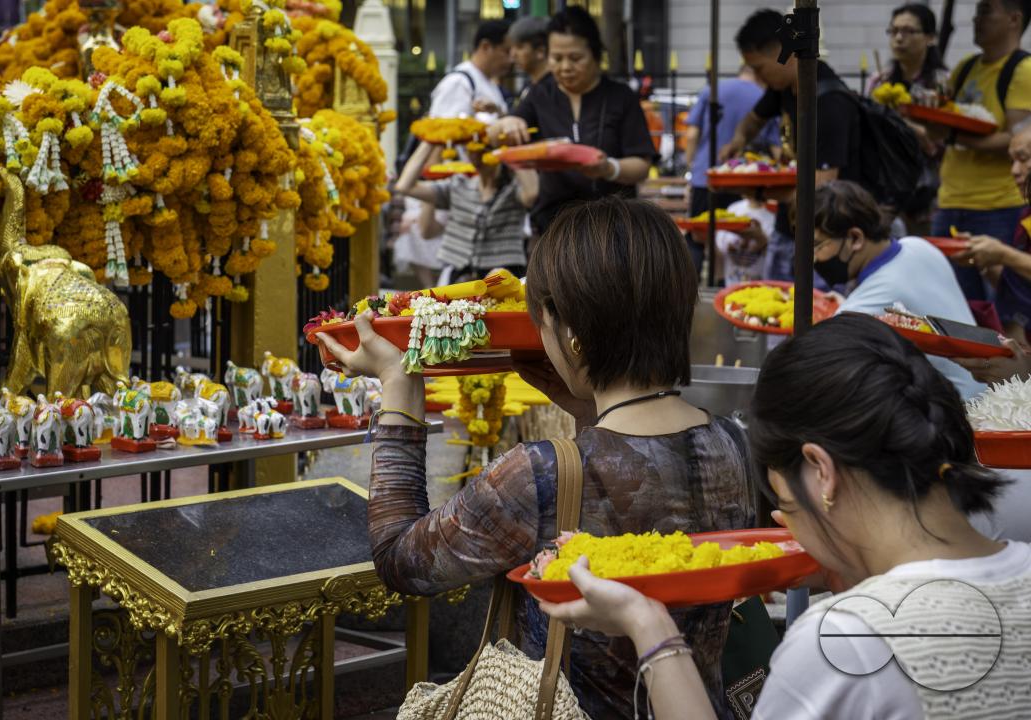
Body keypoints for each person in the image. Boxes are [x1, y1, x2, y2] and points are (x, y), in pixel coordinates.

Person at [319, 197, 755, 719]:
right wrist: (588, 405)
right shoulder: (734, 443)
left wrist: (400, 391)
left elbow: (400, 561)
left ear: (565, 327)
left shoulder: (538, 473)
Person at [540, 313, 1031, 720]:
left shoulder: (846, 641)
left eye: (789, 507)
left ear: (821, 472)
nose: (787, 523)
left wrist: (647, 624)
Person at [486, 7, 657, 237]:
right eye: (556, 58)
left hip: (612, 229)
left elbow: (641, 165)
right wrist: (506, 124)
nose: (565, 67)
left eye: (575, 58)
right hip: (553, 226)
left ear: (595, 55)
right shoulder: (540, 94)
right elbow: (498, 134)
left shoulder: (620, 97)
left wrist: (608, 168)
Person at [721, 9, 862, 282]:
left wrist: (761, 190)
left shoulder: (829, 102)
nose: (759, 78)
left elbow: (821, 190)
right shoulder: (783, 88)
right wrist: (738, 140)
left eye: (760, 68)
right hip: (788, 230)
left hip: (824, 238)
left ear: (784, 53)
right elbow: (752, 121)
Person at [814, 180, 985, 399]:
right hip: (986, 391)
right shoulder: (918, 246)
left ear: (855, 238)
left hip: (958, 413)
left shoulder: (868, 302)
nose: (814, 259)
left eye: (817, 246)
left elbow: (824, 360)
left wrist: (848, 309)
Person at [929, 0, 1031, 302]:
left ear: (1014, 19)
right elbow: (942, 116)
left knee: (1001, 304)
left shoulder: (1023, 70)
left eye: (986, 11)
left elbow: (1016, 141)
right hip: (949, 201)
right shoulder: (965, 68)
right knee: (951, 301)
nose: (976, 19)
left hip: (998, 206)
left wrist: (953, 136)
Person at [683, 66, 781, 275]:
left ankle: (689, 292)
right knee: (740, 237)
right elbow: (777, 149)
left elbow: (691, 135)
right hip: (745, 183)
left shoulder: (712, 89)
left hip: (706, 178)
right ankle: (727, 287)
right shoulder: (764, 98)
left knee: (698, 239)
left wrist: (692, 168)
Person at [394, 139, 537, 281]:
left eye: (484, 150)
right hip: (459, 275)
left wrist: (512, 146)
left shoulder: (512, 189)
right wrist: (430, 140)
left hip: (504, 277)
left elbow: (532, 193)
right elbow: (405, 186)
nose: (476, 156)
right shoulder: (458, 185)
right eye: (472, 150)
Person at [868, 3, 949, 232]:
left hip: (930, 192)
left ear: (930, 37)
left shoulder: (942, 83)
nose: (899, 38)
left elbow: (945, 140)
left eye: (908, 31)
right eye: (893, 31)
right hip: (886, 191)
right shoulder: (879, 81)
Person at [952, 118, 1031, 341]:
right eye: (1012, 160)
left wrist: (1003, 254)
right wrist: (984, 260)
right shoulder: (1026, 215)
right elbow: (1017, 287)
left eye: (1023, 159)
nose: (1015, 170)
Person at [428, 19, 513, 119]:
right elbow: (445, 130)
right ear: (485, 47)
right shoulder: (458, 83)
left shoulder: (487, 81)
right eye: (506, 52)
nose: (511, 60)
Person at [713, 196, 775, 286]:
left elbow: (778, 261)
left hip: (763, 290)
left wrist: (761, 239)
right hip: (729, 286)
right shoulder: (733, 210)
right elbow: (719, 255)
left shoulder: (774, 215)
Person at [507, 16, 551, 100]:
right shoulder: (530, 84)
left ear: (540, 51)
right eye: (512, 47)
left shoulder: (550, 89)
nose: (513, 54)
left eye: (519, 47)